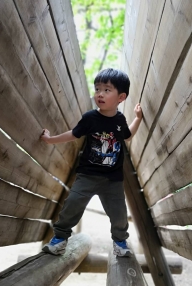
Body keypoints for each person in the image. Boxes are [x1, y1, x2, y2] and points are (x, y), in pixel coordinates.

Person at [40, 68, 142, 257]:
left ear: (121, 97)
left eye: (106, 90)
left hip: (113, 179)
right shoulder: (90, 118)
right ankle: (60, 240)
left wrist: (138, 119)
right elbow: (73, 134)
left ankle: (120, 243)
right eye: (97, 89)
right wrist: (50, 139)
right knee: (72, 204)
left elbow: (127, 135)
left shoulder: (120, 120)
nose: (100, 94)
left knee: (119, 213)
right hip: (87, 175)